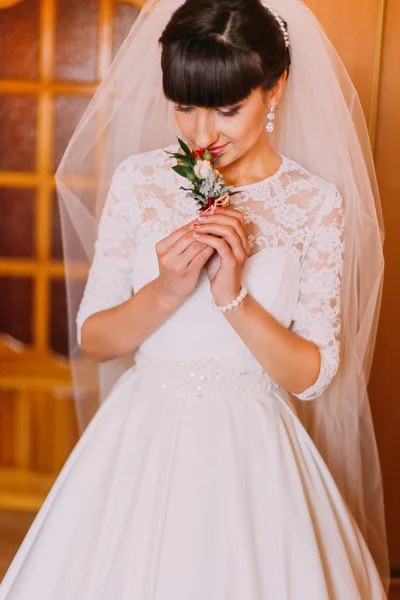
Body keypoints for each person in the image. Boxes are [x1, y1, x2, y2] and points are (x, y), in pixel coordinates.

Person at [0, 0, 390, 597]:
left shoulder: (315, 204)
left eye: (228, 109)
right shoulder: (138, 180)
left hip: (252, 452)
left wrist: (233, 297)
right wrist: (167, 291)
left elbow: (311, 374)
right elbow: (94, 339)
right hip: (140, 438)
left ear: (274, 88)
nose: (202, 135)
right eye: (184, 106)